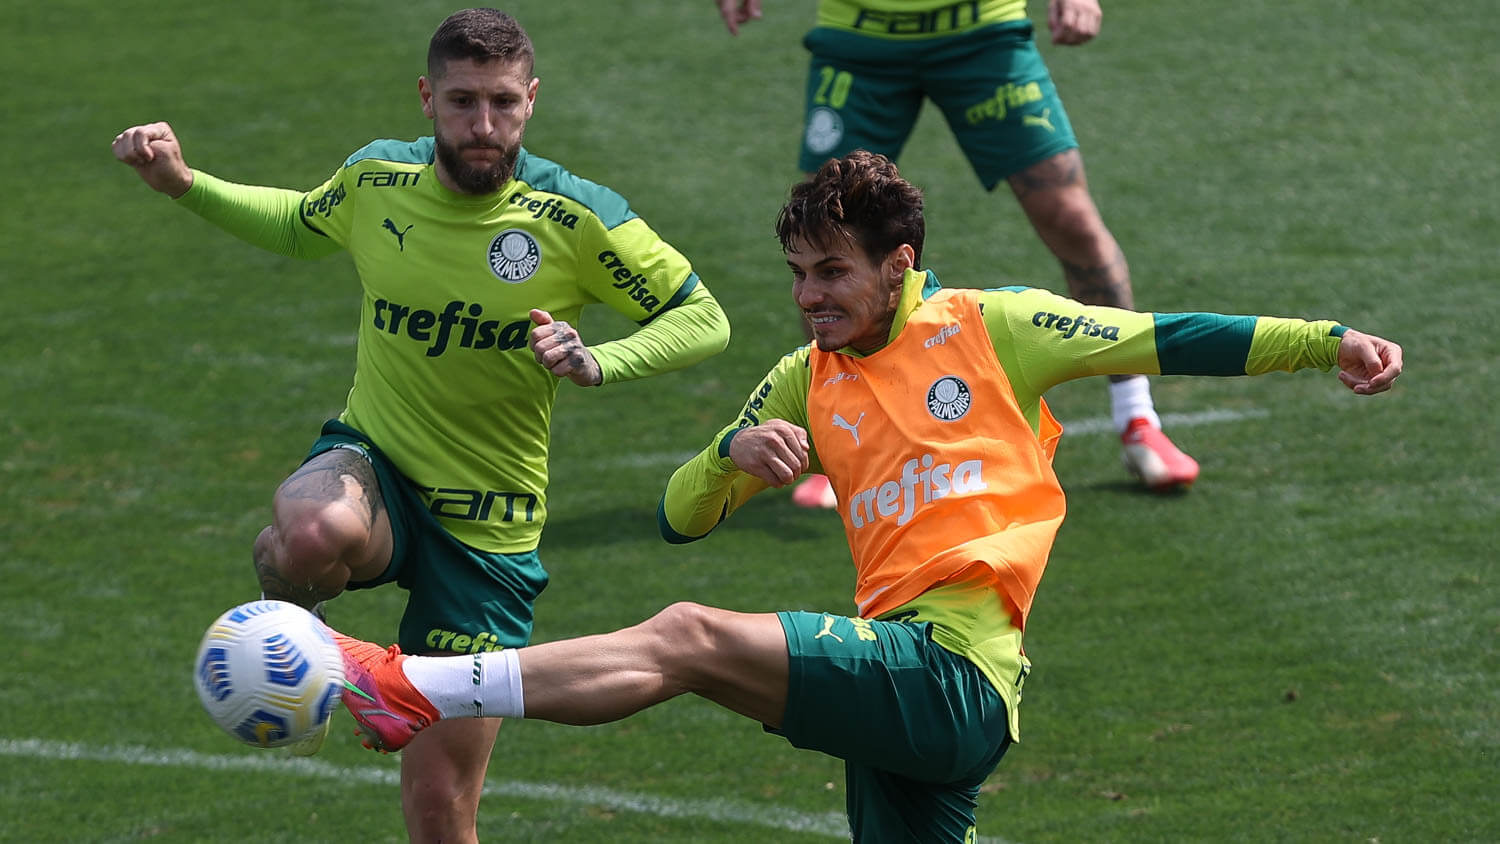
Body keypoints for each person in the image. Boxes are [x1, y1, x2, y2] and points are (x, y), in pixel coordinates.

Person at [323, 151, 1403, 842]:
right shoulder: (803, 375)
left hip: (954, 676)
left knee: (691, 637)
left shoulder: (992, 328)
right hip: (906, 698)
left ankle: (417, 685)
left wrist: (1325, 343)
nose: (807, 298)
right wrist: (737, 455)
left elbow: (1164, 337)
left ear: (900, 263)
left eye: (831, 274)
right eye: (797, 273)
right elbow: (677, 515)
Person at [112, 8, 729, 843]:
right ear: (426, 98)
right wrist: (185, 184)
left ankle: (324, 663)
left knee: (438, 811)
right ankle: (311, 651)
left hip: (488, 531)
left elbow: (703, 317)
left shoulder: (575, 217)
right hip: (377, 466)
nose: (484, 127)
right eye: (463, 101)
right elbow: (300, 225)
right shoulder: (376, 181)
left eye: (504, 103)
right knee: (308, 531)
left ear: (533, 100)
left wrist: (599, 360)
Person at [717, 0, 1200, 508]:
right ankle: (837, 443)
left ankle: (1137, 419)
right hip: (860, 41)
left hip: (982, 31)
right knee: (827, 237)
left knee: (1069, 217)